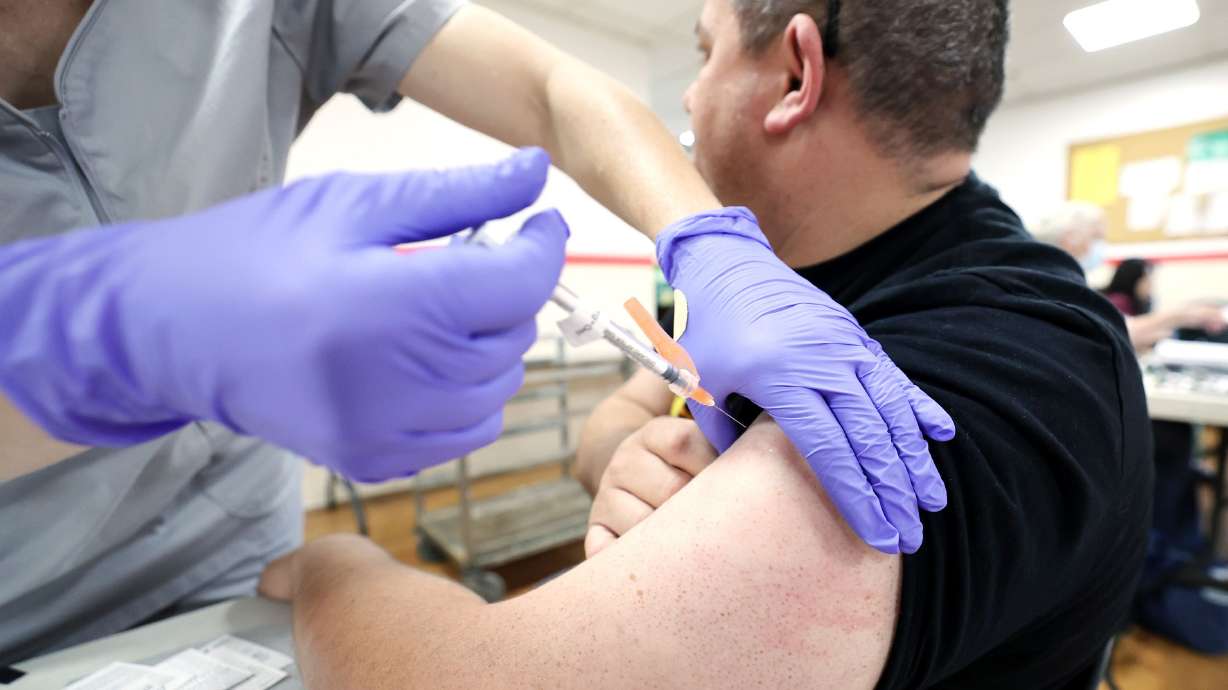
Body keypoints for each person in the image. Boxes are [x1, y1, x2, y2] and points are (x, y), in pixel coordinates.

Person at [0, 0, 955, 664]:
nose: (689, 105)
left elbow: (549, 89)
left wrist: (709, 245)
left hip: (236, 543)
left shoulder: (985, 328)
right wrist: (115, 336)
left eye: (702, 54)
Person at [258, 1, 1152, 687]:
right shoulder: (771, 288)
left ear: (794, 77)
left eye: (704, 50)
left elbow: (463, 678)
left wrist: (333, 563)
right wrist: (633, 452)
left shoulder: (992, 360)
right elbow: (626, 411)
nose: (687, 96)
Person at [1034, 205, 1227, 349]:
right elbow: (1111, 332)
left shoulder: (1065, 281)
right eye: (1097, 237)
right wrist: (1183, 315)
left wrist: (1184, 316)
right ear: (1070, 238)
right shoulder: (1052, 285)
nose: (1101, 246)